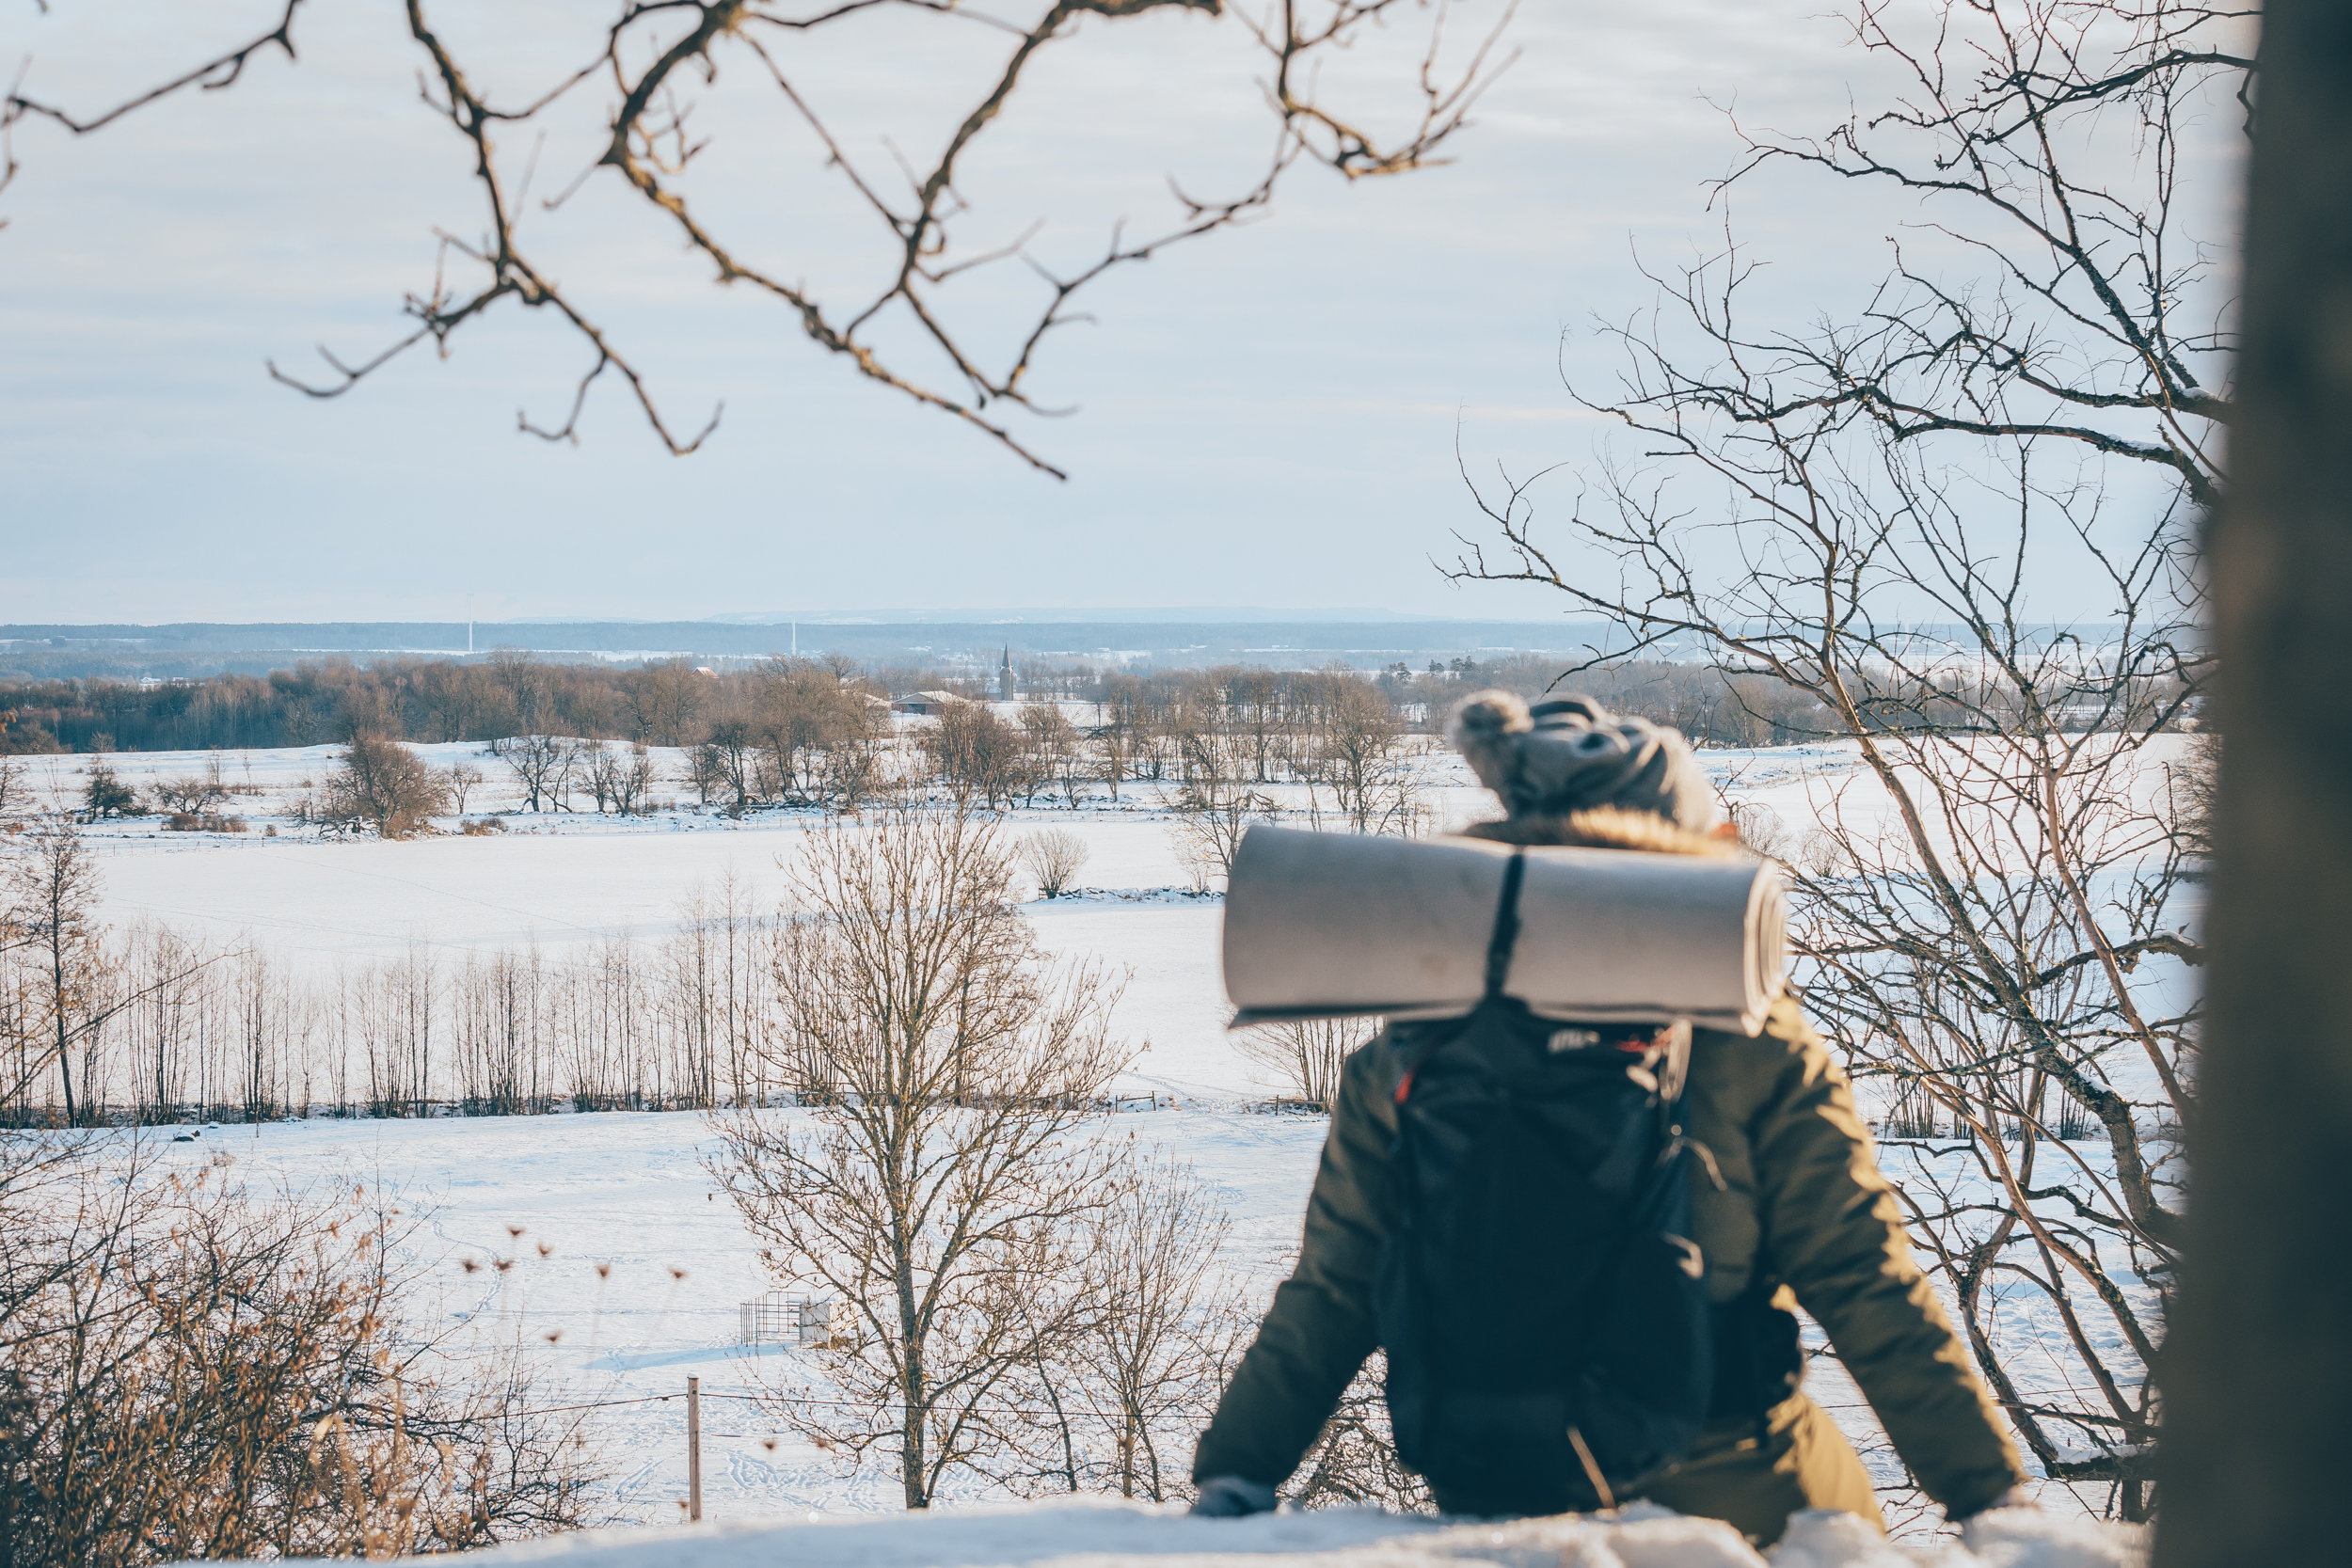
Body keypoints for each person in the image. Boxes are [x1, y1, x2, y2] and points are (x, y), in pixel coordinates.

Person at [1189, 691, 2031, 1544]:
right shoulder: (1750, 1034)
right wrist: (1988, 1491)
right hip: (1740, 1508)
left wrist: (1235, 1470)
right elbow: (1862, 1276)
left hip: (1505, 1501)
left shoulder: (1416, 1042)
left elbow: (1334, 1290)